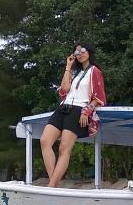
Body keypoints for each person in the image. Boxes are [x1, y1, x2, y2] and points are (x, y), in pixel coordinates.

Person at [42, 43, 106, 187]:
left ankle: (51, 187)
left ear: (89, 52)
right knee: (45, 141)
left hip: (79, 109)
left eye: (82, 51)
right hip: (63, 108)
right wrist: (68, 67)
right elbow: (64, 90)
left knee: (64, 149)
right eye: (76, 53)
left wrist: (87, 110)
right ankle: (54, 185)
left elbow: (99, 98)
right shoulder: (74, 72)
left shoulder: (94, 71)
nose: (80, 54)